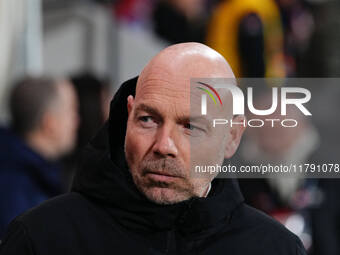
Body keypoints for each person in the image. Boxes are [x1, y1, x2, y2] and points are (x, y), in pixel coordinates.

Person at [0, 43, 305, 254]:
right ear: (128, 114)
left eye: (190, 126)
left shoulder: (276, 249)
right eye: (148, 119)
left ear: (232, 137)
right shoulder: (41, 239)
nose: (164, 146)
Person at [0, 76, 78, 238]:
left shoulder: (37, 175)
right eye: (71, 110)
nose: (77, 121)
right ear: (50, 123)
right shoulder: (16, 192)